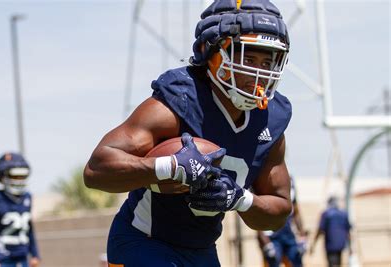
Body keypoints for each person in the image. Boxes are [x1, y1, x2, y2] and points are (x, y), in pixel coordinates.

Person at [84, 0, 293, 265]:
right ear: (210, 51)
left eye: (267, 61)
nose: (257, 72)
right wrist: (167, 166)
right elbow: (96, 169)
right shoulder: (179, 102)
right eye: (247, 57)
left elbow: (278, 212)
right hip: (145, 241)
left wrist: (239, 199)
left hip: (202, 250)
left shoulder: (271, 120)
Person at [257, 177, 308, 267]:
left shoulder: (290, 180)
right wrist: (264, 240)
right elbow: (258, 213)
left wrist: (302, 235)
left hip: (288, 233)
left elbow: (295, 211)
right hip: (271, 234)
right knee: (274, 262)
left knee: (297, 261)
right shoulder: (263, 178)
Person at [310, 196, 352, 267]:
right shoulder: (343, 214)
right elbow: (348, 232)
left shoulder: (326, 214)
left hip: (331, 244)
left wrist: (314, 243)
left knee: (333, 263)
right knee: (337, 263)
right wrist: (350, 247)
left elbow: (320, 230)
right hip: (341, 244)